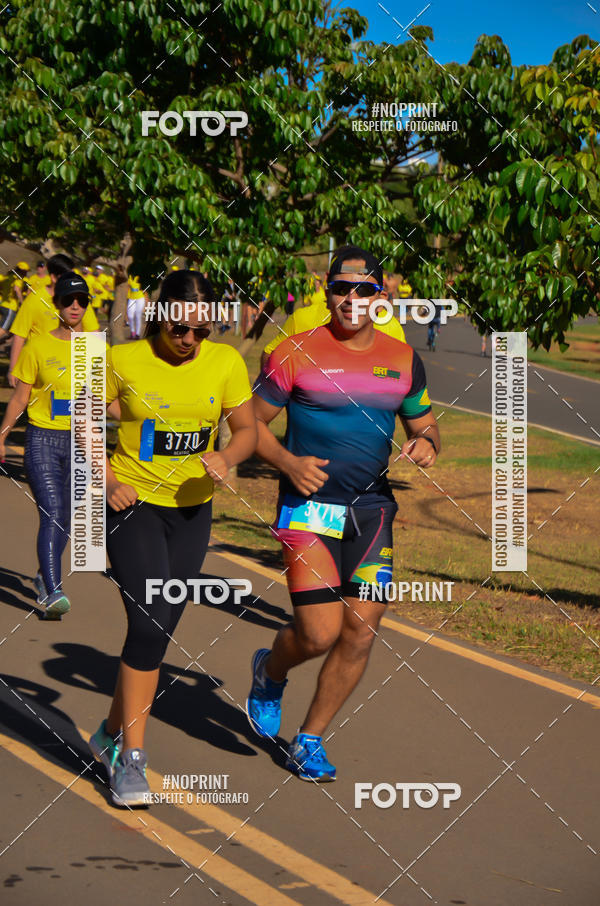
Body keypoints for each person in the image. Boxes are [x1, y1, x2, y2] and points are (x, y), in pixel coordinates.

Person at [248, 245, 440, 782]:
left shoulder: (403, 358)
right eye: (341, 289)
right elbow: (247, 426)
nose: (352, 299)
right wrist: (287, 461)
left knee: (360, 632)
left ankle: (309, 739)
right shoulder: (292, 352)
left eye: (363, 289)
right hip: (309, 511)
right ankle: (270, 670)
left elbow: (423, 425)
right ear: (326, 292)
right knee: (318, 633)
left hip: (373, 513)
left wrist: (425, 444)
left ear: (379, 295)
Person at [89, 269, 256, 806]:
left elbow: (248, 429)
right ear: (160, 316)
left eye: (202, 331)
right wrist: (109, 481)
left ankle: (109, 731)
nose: (190, 341)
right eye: (180, 329)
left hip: (192, 514)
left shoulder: (225, 363)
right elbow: (86, 423)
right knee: (149, 620)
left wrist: (227, 456)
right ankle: (131, 759)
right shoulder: (123, 360)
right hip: (131, 505)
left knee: (156, 636)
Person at [0, 272, 92, 617]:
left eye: (82, 300)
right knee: (52, 512)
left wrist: (145, 416)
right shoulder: (38, 346)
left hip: (82, 442)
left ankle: (43, 575)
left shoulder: (96, 347)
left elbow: (107, 399)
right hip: (42, 439)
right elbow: (20, 398)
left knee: (67, 515)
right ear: (56, 304)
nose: (75, 306)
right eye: (68, 300)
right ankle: (53, 591)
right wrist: (3, 434)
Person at [260, 269, 407, 370]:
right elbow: (271, 355)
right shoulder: (302, 318)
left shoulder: (389, 325)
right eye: (343, 287)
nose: (352, 296)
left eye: (362, 288)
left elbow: (269, 356)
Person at [8, 253, 99, 387]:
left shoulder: (79, 300)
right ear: (53, 277)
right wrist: (12, 368)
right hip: (40, 368)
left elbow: (93, 333)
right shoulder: (34, 300)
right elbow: (20, 334)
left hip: (73, 367)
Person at [0, 261, 29, 344]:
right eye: (25, 271)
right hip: (10, 306)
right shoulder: (18, 279)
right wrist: (22, 302)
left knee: (10, 327)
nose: (26, 273)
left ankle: (5, 340)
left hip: (2, 303)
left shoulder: (7, 277)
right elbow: (17, 289)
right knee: (4, 328)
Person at [126, 275, 147, 340]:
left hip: (140, 298)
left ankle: (137, 334)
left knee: (138, 316)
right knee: (130, 316)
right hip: (131, 298)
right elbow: (127, 287)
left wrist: (146, 300)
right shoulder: (129, 277)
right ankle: (132, 332)